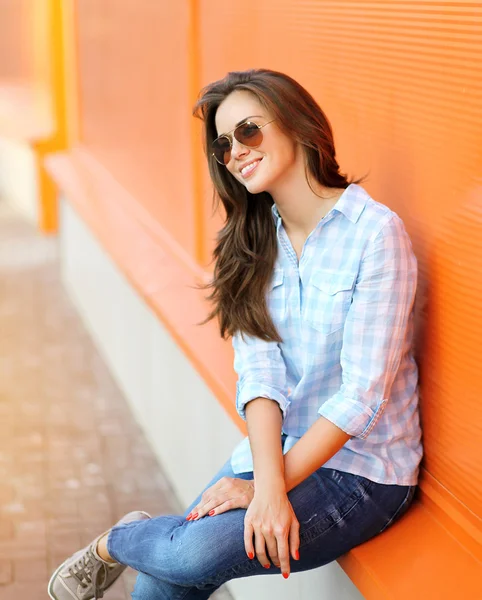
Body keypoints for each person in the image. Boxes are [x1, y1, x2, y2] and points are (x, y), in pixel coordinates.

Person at [48, 68, 423, 600]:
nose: (236, 151)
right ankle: (146, 541)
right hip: (278, 450)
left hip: (363, 472)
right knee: (166, 578)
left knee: (188, 553)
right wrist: (264, 482)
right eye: (224, 144)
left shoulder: (375, 234)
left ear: (296, 122)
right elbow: (261, 375)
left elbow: (362, 396)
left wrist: (266, 488)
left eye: (249, 130)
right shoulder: (252, 242)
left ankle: (119, 540)